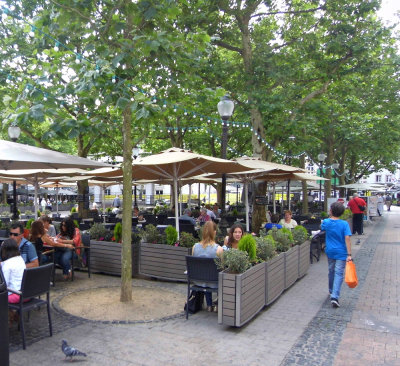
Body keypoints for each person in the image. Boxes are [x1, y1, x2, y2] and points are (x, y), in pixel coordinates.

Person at [321, 202, 352, 308]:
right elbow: (347, 238)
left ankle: (331, 291)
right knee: (339, 273)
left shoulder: (326, 222)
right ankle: (335, 296)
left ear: (331, 211)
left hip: (330, 251)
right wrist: (349, 254)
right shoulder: (344, 224)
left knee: (331, 271)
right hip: (341, 252)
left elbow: (322, 227)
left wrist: (329, 217)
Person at [192, 221, 223, 312]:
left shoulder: (195, 247)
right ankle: (217, 304)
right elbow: (222, 267)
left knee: (206, 274)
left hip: (198, 280)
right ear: (214, 232)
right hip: (214, 282)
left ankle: (209, 305)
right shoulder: (219, 249)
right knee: (217, 275)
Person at [1, 238, 26, 304]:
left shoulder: (7, 265)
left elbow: (4, 286)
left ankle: (9, 313)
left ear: (4, 250)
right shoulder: (20, 259)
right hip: (27, 293)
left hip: (17, 295)